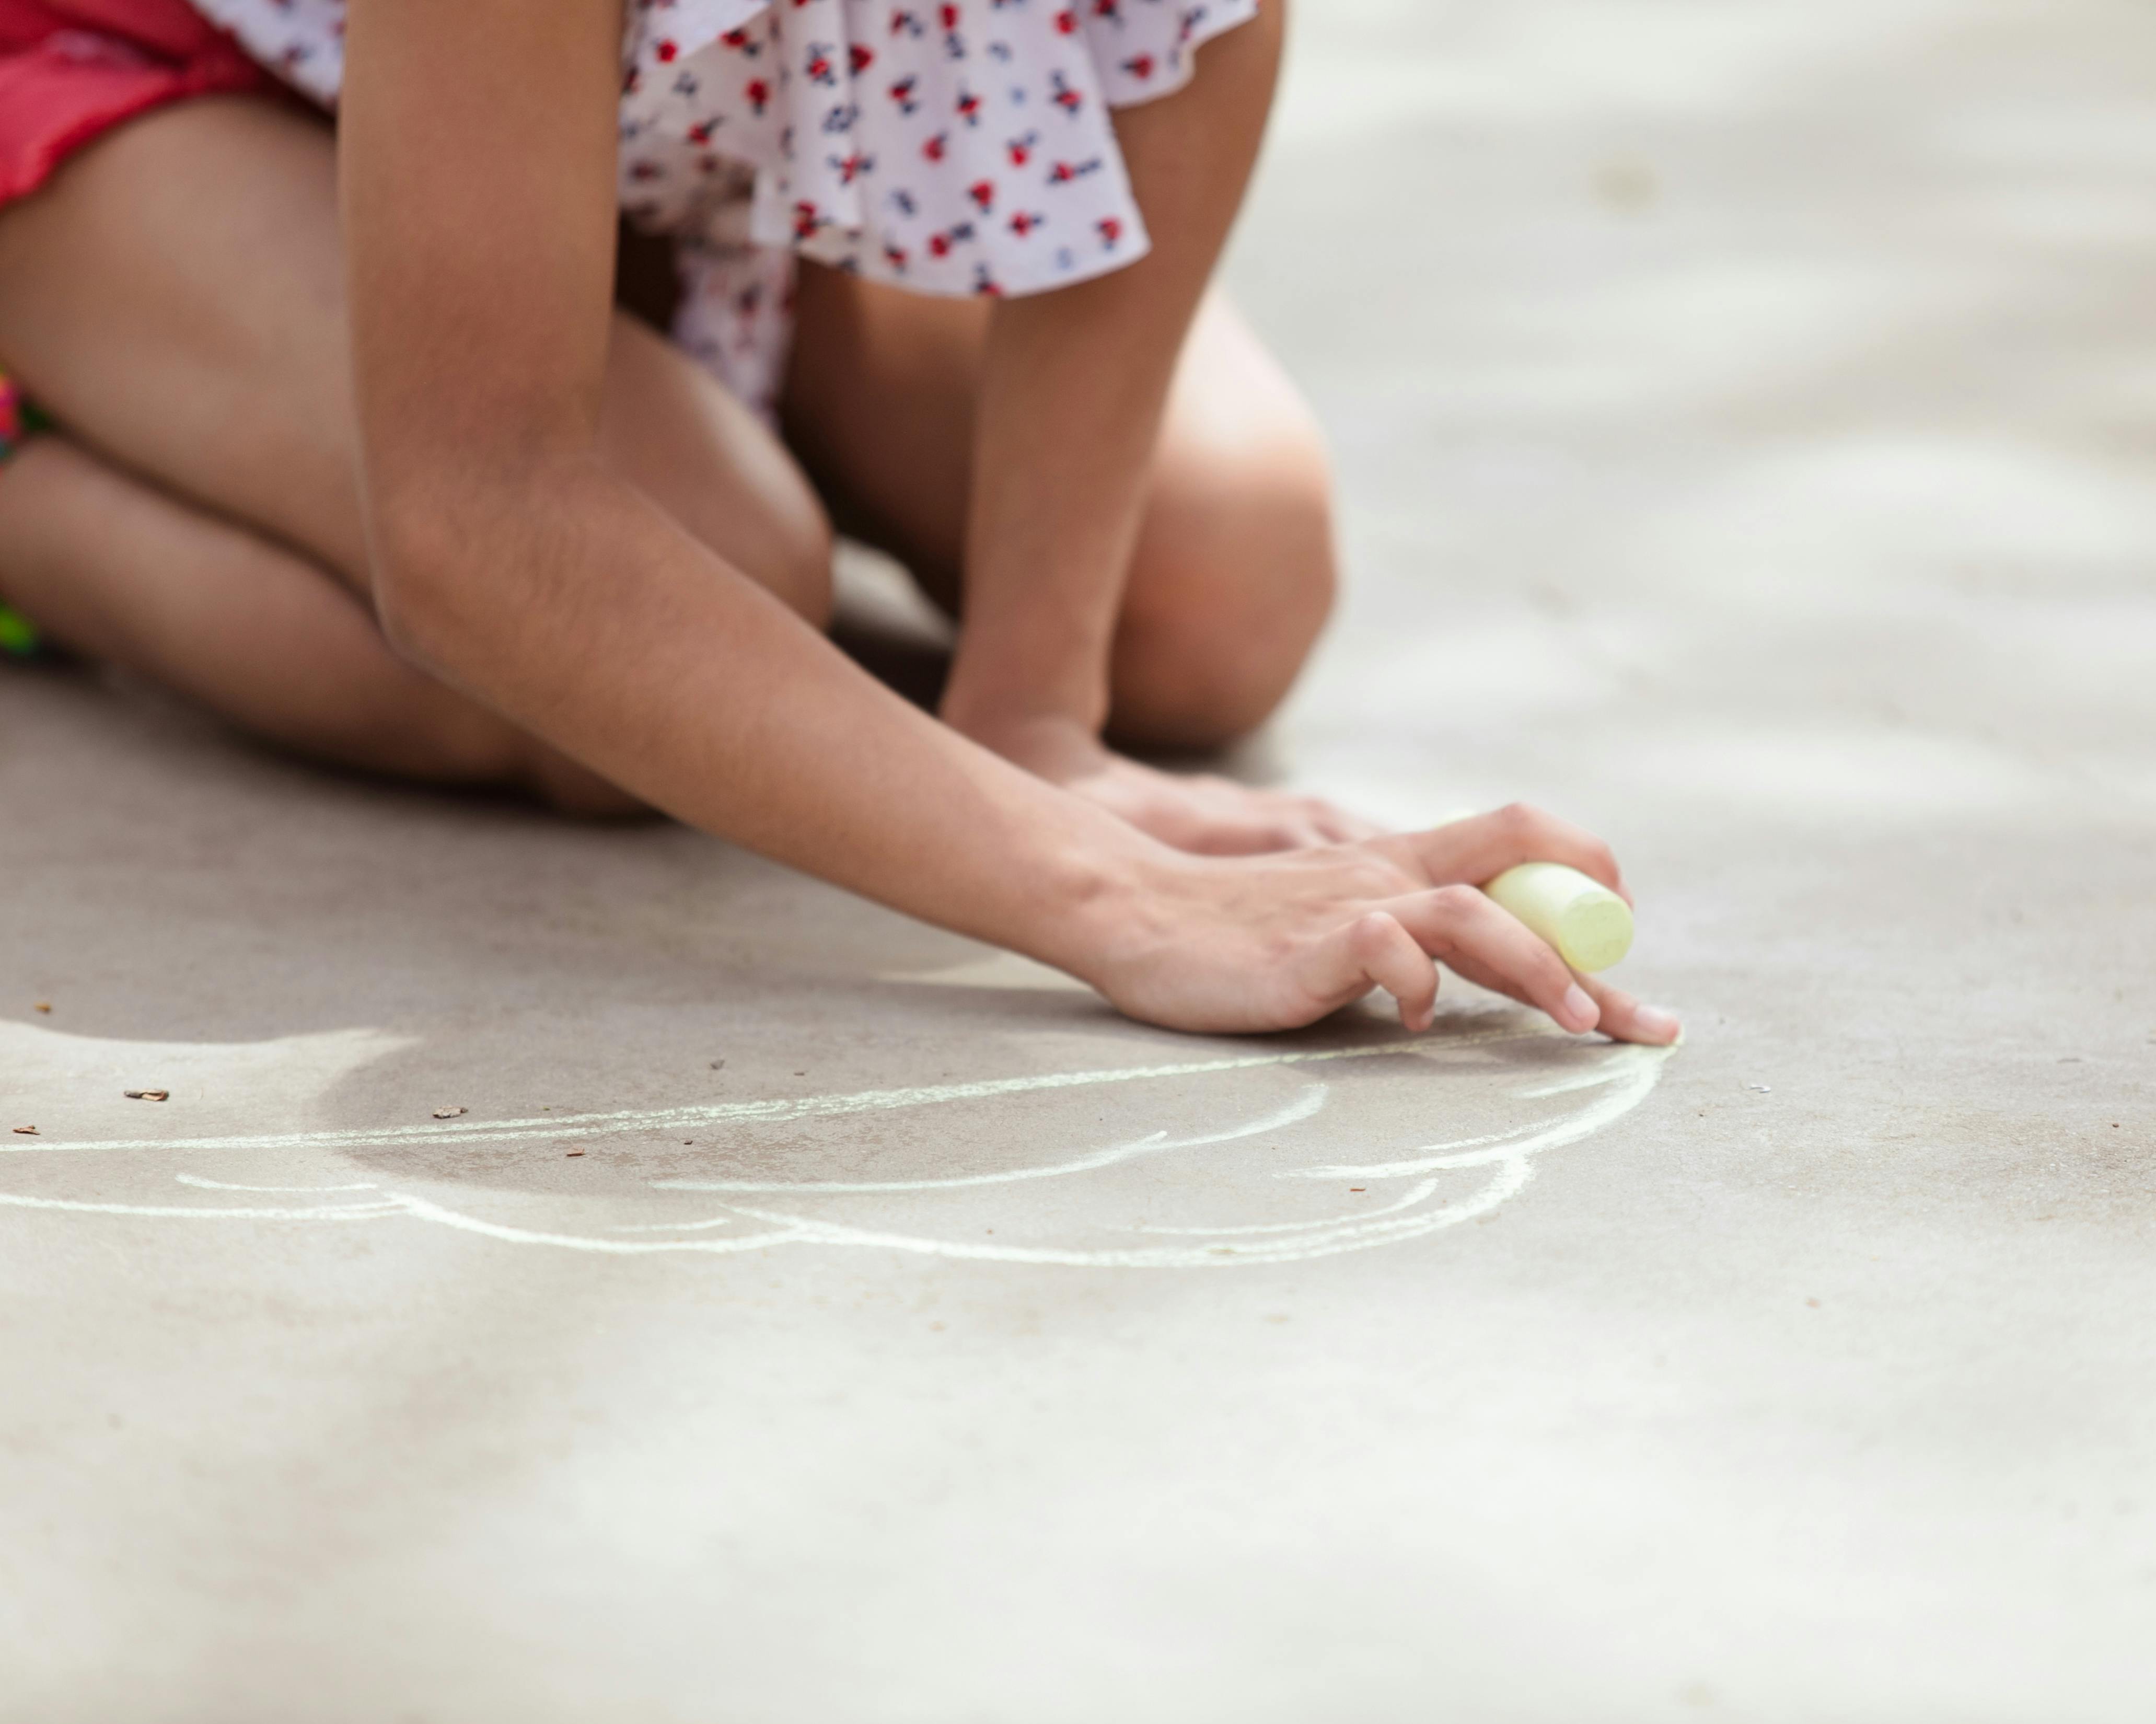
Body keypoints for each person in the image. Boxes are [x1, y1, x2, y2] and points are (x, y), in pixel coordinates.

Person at [0, 0, 1680, 1045]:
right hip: (162, 73)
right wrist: (1112, 897)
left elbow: (1192, 36)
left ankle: (647, 324)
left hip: (650, 144)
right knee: (639, 643)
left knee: (1216, 586)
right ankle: (33, 490)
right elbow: (475, 521)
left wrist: (1042, 722)